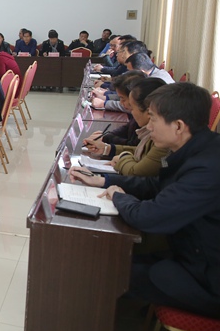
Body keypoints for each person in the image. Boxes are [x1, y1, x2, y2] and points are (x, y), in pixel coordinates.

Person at [69, 83, 220, 319]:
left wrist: (118, 196)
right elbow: (157, 185)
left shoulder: (207, 168)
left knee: (99, 272)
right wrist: (104, 181)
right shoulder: (199, 148)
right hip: (193, 257)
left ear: (178, 126)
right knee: (107, 261)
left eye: (154, 120)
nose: (148, 127)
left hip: (207, 280)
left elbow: (149, 217)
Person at [83, 78, 168, 176]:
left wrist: (123, 156)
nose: (149, 126)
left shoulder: (162, 139)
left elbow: (136, 172)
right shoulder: (152, 132)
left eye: (132, 108)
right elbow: (143, 153)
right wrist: (107, 149)